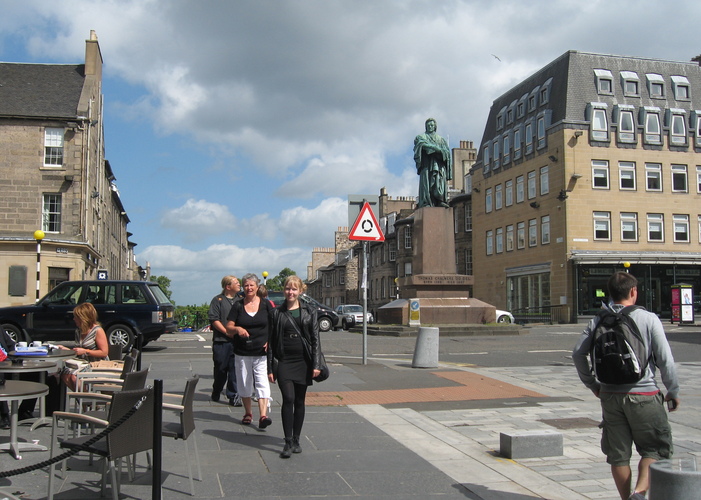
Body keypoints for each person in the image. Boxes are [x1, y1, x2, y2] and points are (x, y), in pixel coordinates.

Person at [573, 272, 680, 500]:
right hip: (645, 395)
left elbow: (578, 353)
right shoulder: (649, 318)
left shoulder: (598, 319)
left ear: (610, 294)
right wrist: (673, 390)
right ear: (633, 292)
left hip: (610, 396)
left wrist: (592, 384)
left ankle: (625, 498)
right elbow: (665, 359)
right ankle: (639, 493)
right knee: (654, 449)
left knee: (618, 455)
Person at [267, 275, 321, 458]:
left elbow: (315, 340)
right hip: (284, 361)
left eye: (294, 289)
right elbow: (271, 342)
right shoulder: (277, 313)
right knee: (288, 398)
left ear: (300, 291)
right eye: (288, 289)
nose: (290, 292)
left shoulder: (309, 311)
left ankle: (297, 439)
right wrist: (270, 368)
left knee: (299, 400)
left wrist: (316, 364)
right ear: (284, 291)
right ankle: (287, 441)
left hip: (303, 361)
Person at [226, 273, 274, 428]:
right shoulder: (238, 305)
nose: (248, 288)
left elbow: (274, 326)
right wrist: (238, 329)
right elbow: (228, 328)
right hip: (242, 352)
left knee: (262, 382)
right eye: (246, 285)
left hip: (261, 353)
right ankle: (248, 413)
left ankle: (263, 416)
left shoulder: (266, 305)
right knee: (244, 383)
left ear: (257, 287)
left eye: (251, 285)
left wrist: (270, 341)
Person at [56, 302, 109, 391]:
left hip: (95, 365)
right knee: (64, 374)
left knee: (74, 378)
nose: (73, 319)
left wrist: (86, 351)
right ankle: (83, 400)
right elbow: (78, 350)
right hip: (82, 363)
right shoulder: (78, 331)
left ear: (83, 318)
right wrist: (67, 350)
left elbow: (104, 352)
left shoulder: (97, 331)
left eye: (76, 317)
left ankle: (86, 402)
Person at [208, 275, 242, 407]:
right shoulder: (218, 300)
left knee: (235, 369)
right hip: (221, 341)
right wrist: (226, 332)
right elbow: (214, 319)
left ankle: (233, 395)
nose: (239, 285)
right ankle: (217, 389)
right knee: (221, 369)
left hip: (236, 342)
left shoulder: (240, 300)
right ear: (228, 286)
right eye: (236, 283)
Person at [414, 117, 452, 208]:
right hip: (426, 166)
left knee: (439, 184)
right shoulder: (421, 137)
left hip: (438, 166)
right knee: (427, 185)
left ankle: (440, 201)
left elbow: (447, 153)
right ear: (426, 127)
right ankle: (426, 202)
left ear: (435, 127)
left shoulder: (441, 139)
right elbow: (420, 145)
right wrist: (435, 148)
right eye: (428, 125)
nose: (430, 127)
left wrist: (440, 151)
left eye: (432, 125)